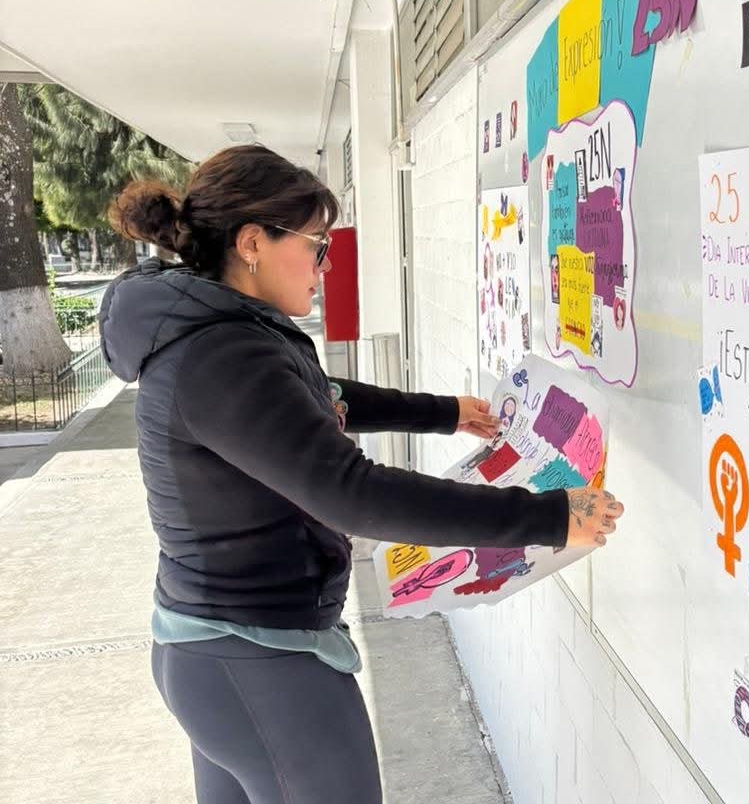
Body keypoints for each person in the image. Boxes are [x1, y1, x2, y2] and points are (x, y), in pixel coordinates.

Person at [101, 145, 625, 804]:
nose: (325, 266)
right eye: (315, 246)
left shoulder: (217, 332)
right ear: (253, 243)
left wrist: (446, 413)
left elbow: (314, 398)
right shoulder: (222, 357)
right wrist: (548, 517)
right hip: (261, 663)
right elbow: (352, 494)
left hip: (221, 653)